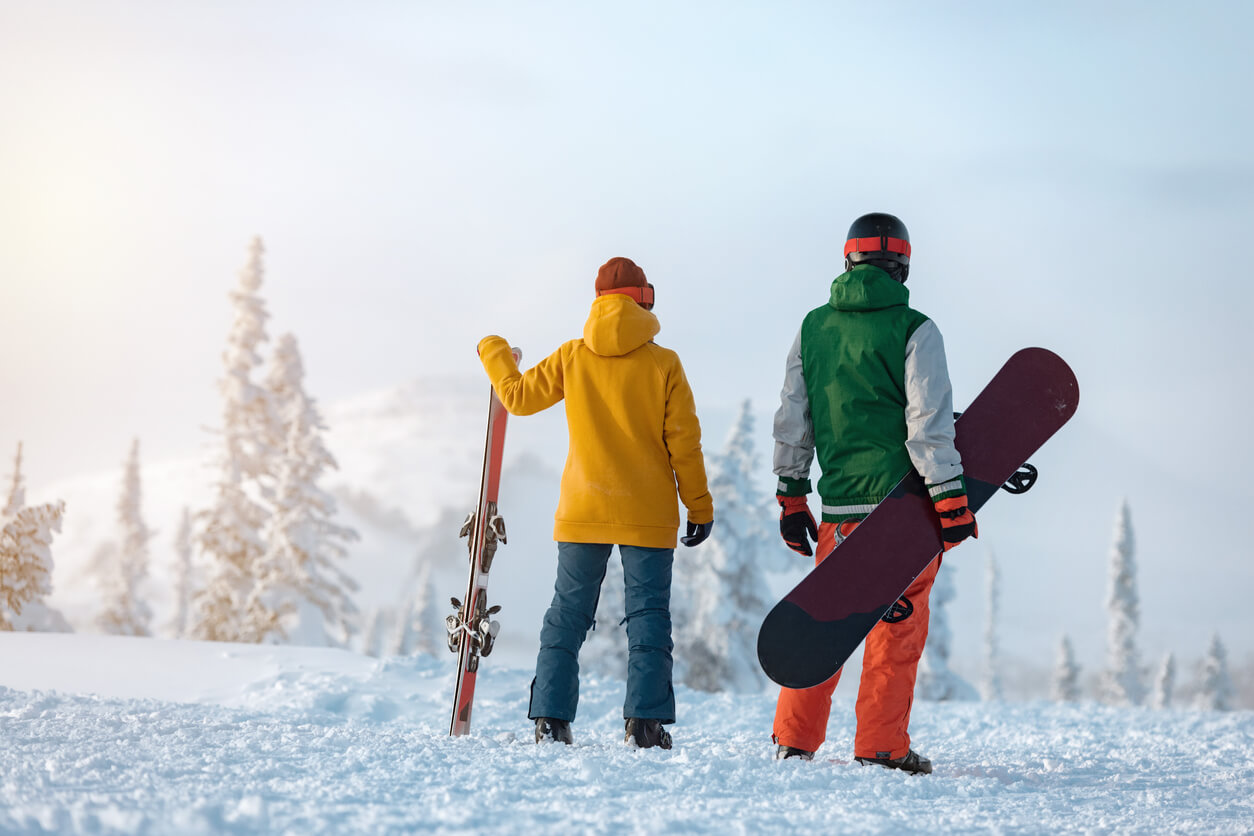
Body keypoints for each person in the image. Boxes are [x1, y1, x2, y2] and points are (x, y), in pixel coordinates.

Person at [477, 256, 714, 750]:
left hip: (583, 509)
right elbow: (684, 445)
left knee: (567, 614)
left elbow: (517, 398)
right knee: (648, 617)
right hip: (646, 513)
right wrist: (699, 507)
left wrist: (494, 350)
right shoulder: (663, 363)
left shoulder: (572, 356)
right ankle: (645, 726)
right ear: (642, 299)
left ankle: (550, 719)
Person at [770, 213, 977, 774]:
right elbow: (928, 427)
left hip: (838, 514)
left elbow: (795, 419)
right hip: (901, 516)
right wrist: (951, 502)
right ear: (903, 266)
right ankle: (881, 747)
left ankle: (794, 741)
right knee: (896, 630)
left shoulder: (813, 328)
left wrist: (791, 498)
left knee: (825, 624)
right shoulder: (916, 329)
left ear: (848, 260)